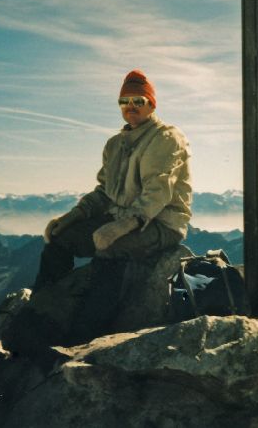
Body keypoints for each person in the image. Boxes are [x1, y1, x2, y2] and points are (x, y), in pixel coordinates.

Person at [33, 69, 192, 291]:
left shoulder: (165, 138)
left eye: (138, 100)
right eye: (124, 101)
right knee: (61, 239)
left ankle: (94, 322)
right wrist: (73, 215)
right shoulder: (115, 144)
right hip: (120, 217)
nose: (130, 106)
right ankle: (44, 304)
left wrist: (124, 225)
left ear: (152, 105)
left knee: (111, 249)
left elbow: (157, 192)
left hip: (161, 224)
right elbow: (104, 192)